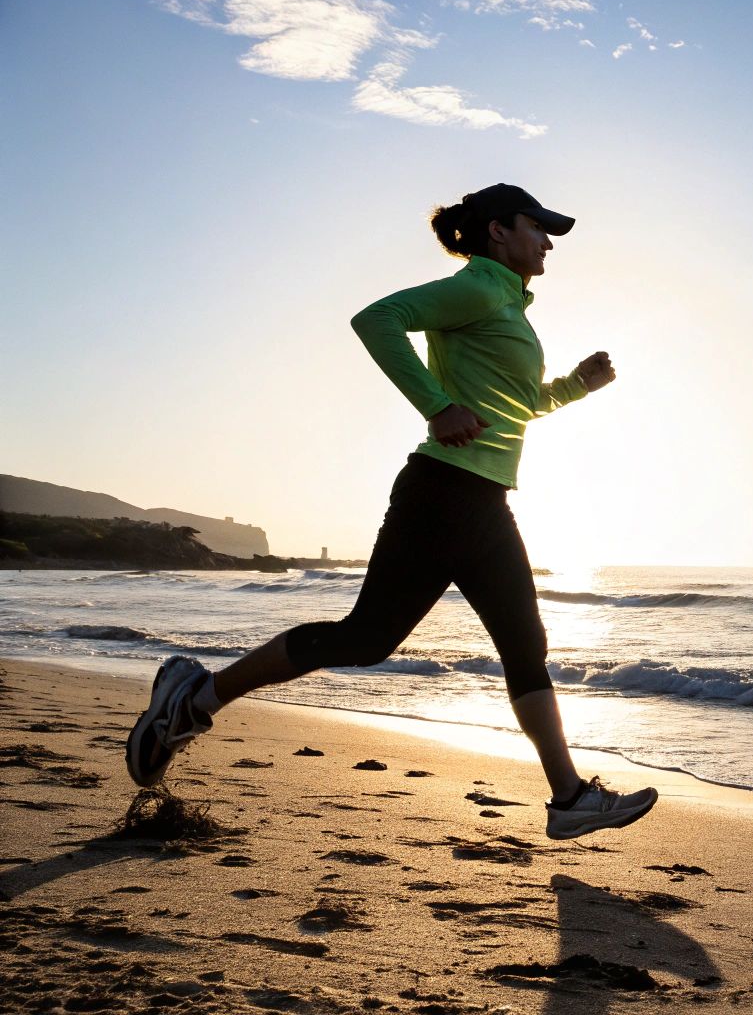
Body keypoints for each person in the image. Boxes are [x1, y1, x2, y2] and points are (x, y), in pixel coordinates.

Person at [126, 183, 658, 840]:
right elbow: (375, 319)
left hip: (483, 499)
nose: (548, 241)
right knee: (367, 638)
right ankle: (194, 700)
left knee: (525, 644)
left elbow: (514, 407)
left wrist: (576, 387)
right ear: (498, 232)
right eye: (538, 227)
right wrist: (435, 407)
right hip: (442, 494)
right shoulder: (478, 288)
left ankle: (569, 797)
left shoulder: (509, 309)